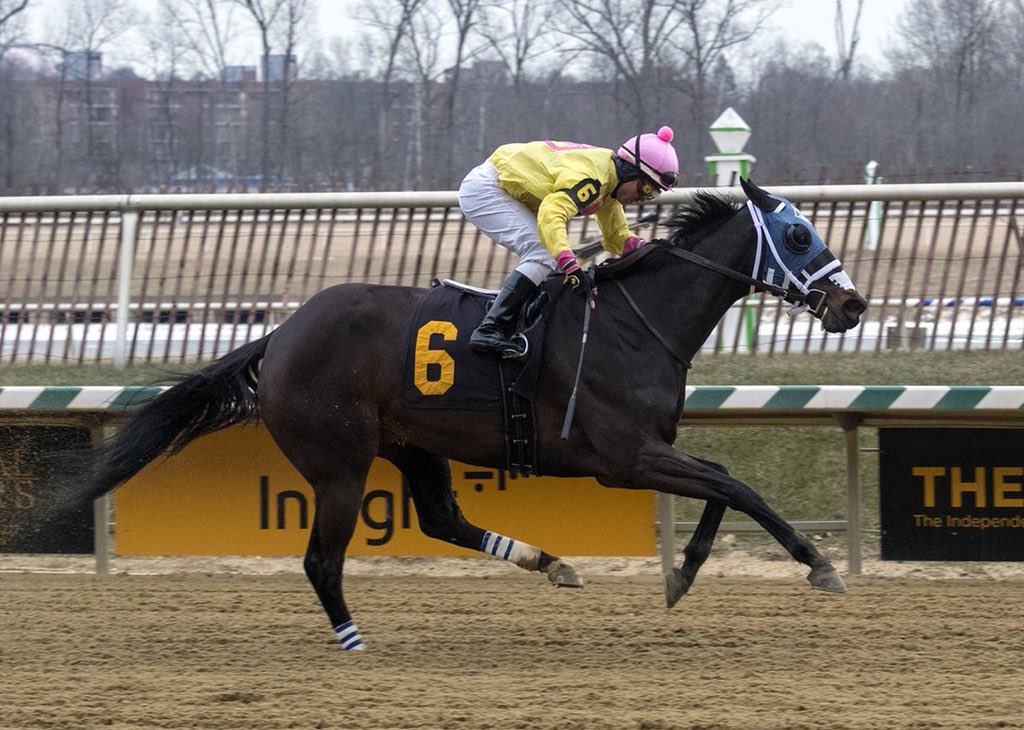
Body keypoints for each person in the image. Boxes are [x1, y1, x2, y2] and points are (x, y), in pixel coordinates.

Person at [458, 126, 679, 357]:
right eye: (645, 189)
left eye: (653, 194)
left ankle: (519, 324)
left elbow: (615, 238)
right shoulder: (594, 179)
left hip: (507, 188)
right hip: (487, 189)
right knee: (543, 253)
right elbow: (552, 214)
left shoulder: (610, 183)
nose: (643, 199)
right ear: (630, 170)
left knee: (550, 259)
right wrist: (571, 266)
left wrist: (650, 249)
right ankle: (489, 328)